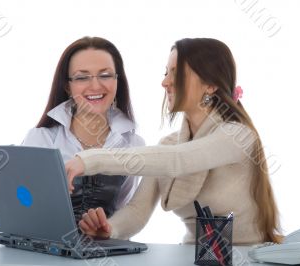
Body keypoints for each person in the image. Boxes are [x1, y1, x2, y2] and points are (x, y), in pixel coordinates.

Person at [65, 38, 282, 244]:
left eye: (176, 74)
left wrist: (88, 160)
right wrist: (110, 229)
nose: (165, 82)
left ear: (210, 85)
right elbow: (137, 211)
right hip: (192, 255)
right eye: (166, 72)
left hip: (245, 256)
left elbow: (179, 160)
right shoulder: (169, 145)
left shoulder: (238, 136)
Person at [21, 36, 144, 224]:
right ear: (67, 86)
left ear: (117, 81)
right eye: (81, 77)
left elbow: (125, 212)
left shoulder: (134, 144)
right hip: (47, 251)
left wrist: (107, 229)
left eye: (105, 75)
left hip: (109, 250)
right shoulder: (40, 140)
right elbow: (22, 207)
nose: (95, 86)